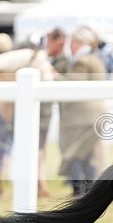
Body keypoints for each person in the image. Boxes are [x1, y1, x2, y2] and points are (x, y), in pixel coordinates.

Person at [57, 27, 106, 196]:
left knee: (74, 154)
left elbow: (74, 85)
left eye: (72, 42)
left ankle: (78, 192)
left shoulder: (82, 61)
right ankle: (91, 193)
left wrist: (54, 76)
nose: (70, 46)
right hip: (96, 114)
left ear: (79, 42)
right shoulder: (95, 58)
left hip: (79, 116)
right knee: (90, 156)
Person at [37, 27, 69, 197]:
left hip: (46, 110)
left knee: (40, 147)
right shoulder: (35, 53)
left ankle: (40, 183)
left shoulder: (63, 59)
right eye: (60, 44)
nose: (63, 48)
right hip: (31, 108)